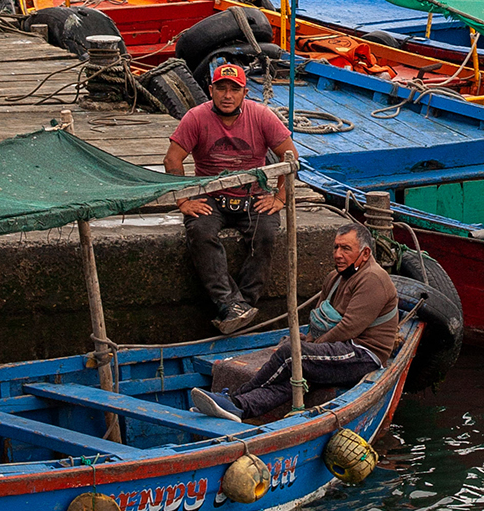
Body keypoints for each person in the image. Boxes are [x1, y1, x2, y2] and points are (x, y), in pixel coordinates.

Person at [189, 221, 397, 422]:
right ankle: (240, 407)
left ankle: (233, 397)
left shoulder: (373, 279)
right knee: (293, 377)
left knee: (291, 355)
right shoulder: (334, 278)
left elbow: (349, 327)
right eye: (335, 247)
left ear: (365, 253)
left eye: (346, 249)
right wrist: (307, 340)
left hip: (362, 353)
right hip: (337, 347)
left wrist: (308, 348)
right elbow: (318, 319)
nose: (337, 254)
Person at [163, 63, 297, 335]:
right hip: (211, 197)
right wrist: (183, 200)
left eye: (234, 89)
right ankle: (227, 302)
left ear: (244, 92)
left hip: (253, 196)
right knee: (200, 231)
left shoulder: (261, 116)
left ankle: (243, 305)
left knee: (267, 235)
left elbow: (289, 156)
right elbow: (172, 159)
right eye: (221, 88)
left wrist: (280, 197)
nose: (227, 95)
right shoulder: (196, 118)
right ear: (210, 90)